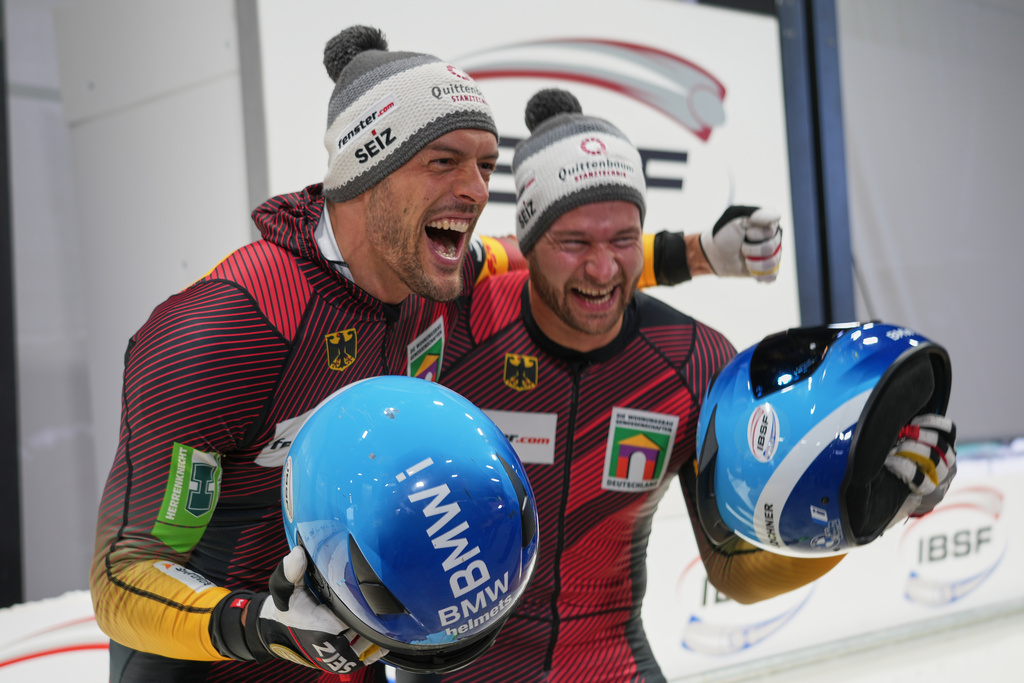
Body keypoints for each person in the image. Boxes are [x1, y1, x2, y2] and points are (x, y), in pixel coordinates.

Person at [89, 27, 778, 683]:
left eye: (485, 164)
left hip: (351, 659)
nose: (477, 189)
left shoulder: (435, 274)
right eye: (443, 161)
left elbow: (535, 253)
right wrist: (260, 623)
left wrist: (699, 254)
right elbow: (123, 573)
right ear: (367, 171)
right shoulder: (228, 326)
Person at [392, 89, 958, 682]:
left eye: (622, 240)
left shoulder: (692, 360)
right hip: (443, 665)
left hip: (606, 661)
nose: (604, 268)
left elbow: (733, 571)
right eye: (575, 242)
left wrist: (859, 515)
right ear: (530, 243)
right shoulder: (453, 320)